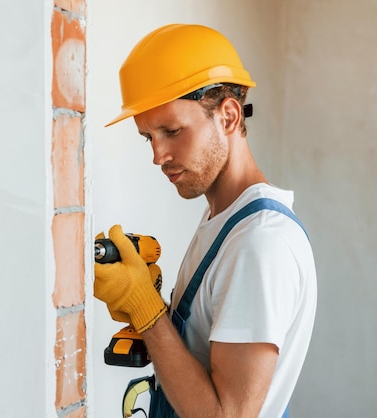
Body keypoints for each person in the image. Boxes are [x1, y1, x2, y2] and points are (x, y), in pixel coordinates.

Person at [94, 23, 317, 418]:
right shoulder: (225, 220)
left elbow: (227, 414)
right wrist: (146, 304)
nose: (158, 155)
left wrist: (147, 311)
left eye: (172, 130)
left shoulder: (259, 243)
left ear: (228, 116)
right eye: (149, 136)